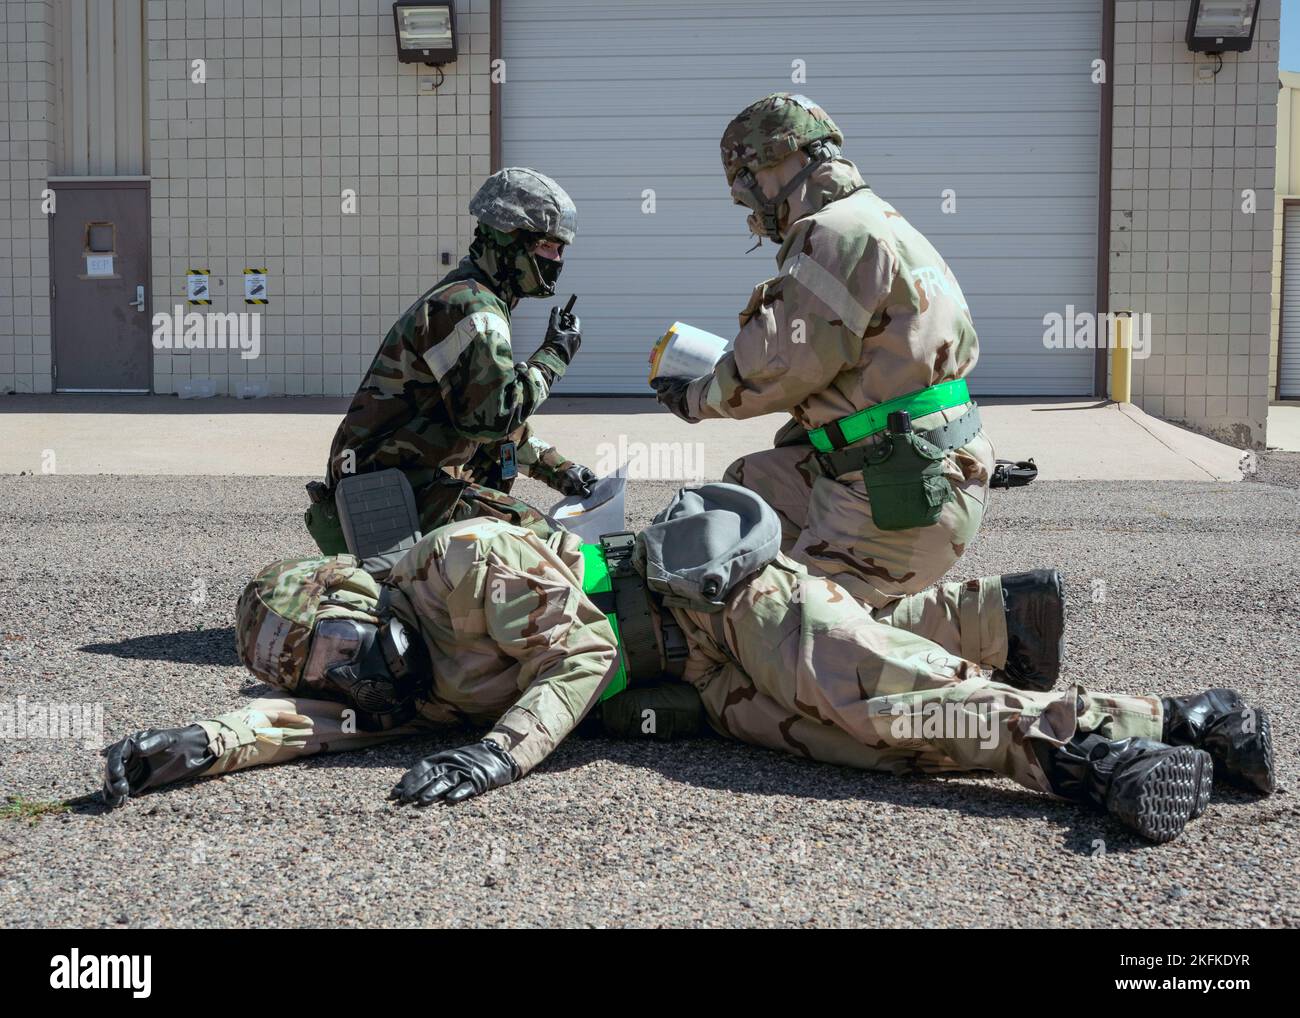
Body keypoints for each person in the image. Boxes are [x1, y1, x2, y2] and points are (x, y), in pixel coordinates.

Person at [101, 485, 1273, 843]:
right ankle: (1186, 714)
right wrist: (190, 747)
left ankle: (1091, 760)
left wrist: (497, 754)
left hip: (718, 613)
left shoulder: (459, 562)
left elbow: (586, 643)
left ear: (359, 595)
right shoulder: (382, 686)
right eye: (329, 672)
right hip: (701, 698)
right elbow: (301, 727)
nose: (354, 679)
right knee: (875, 745)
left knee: (874, 690)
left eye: (347, 646)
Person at [653, 93, 994, 617]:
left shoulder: (833, 233)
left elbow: (781, 367)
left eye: (748, 186)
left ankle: (989, 623)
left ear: (775, 164)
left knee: (787, 637)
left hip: (896, 488)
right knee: (748, 489)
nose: (751, 209)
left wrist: (695, 397)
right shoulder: (879, 219)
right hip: (915, 463)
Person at [305, 167, 597, 554]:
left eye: (561, 249)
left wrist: (561, 470)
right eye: (547, 246)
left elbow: (497, 428)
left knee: (503, 485)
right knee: (546, 549)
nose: (557, 259)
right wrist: (553, 356)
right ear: (508, 241)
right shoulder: (470, 307)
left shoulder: (477, 298)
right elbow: (495, 417)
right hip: (384, 498)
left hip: (398, 482)